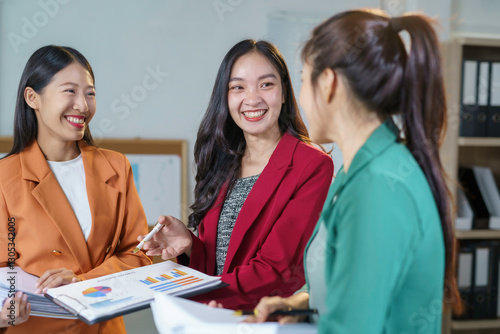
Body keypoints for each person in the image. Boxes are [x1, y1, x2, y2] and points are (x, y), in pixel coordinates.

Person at [251, 9, 462, 333]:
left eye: (304, 80)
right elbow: (359, 287)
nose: (301, 98)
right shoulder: (363, 171)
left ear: (329, 83)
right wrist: (302, 303)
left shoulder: (377, 188)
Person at [140, 39, 333, 310]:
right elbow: (220, 261)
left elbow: (276, 269)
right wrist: (190, 246)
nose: (252, 99)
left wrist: (194, 297)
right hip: (215, 319)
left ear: (285, 92)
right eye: (238, 87)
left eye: (266, 84)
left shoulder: (311, 164)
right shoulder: (223, 160)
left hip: (265, 321)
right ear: (225, 96)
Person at [0, 45, 151, 333]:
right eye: (70, 91)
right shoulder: (4, 177)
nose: (82, 105)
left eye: (90, 93)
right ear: (33, 98)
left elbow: (138, 255)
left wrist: (83, 282)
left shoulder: (117, 167)